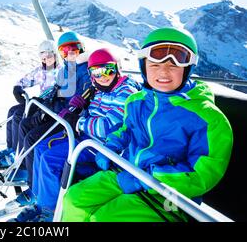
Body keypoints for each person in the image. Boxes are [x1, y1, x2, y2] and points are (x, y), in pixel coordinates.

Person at [61, 27, 234, 222]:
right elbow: (125, 129)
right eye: (154, 64)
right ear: (144, 66)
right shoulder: (136, 101)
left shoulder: (208, 119)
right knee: (74, 200)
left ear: (187, 69)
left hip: (169, 195)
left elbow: (202, 173)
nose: (164, 71)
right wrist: (110, 146)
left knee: (103, 218)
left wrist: (149, 178)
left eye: (174, 64)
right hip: (126, 172)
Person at [13, 48, 140, 222]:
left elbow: (108, 128)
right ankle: (40, 200)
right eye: (96, 72)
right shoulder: (102, 89)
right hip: (87, 137)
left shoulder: (125, 92)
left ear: (117, 69)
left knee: (50, 160)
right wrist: (80, 109)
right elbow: (93, 113)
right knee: (41, 148)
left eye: (107, 69)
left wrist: (78, 122)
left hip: (102, 145)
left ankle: (50, 212)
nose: (103, 76)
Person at [7, 31, 92, 219]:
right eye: (65, 50)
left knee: (34, 139)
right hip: (58, 113)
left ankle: (36, 192)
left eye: (74, 48)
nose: (70, 53)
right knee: (27, 128)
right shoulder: (66, 70)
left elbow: (84, 93)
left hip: (68, 120)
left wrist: (71, 110)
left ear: (81, 49)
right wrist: (45, 104)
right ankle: (33, 186)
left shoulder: (85, 69)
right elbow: (56, 92)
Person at [0, 40, 60, 166]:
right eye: (43, 57)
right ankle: (11, 149)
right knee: (12, 110)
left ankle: (17, 155)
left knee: (19, 115)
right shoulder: (40, 71)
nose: (46, 60)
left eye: (49, 56)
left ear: (55, 55)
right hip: (39, 102)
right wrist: (18, 89)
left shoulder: (61, 71)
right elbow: (24, 80)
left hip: (48, 104)